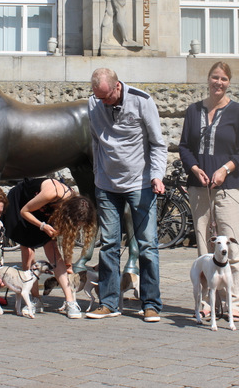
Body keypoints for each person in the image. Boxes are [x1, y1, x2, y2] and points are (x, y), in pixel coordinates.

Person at [85, 68, 167, 322]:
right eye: (99, 97)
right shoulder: (93, 103)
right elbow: (96, 142)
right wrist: (98, 176)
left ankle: (151, 303)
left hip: (140, 184)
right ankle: (109, 303)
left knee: (147, 245)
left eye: (107, 97)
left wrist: (157, 175)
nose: (103, 102)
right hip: (107, 186)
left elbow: (157, 143)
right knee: (109, 244)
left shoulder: (142, 101)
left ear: (118, 86)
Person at [178, 61, 239, 322]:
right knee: (204, 249)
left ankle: (234, 303)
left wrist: (225, 169)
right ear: (208, 80)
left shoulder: (238, 112)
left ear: (228, 82)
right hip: (199, 187)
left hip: (228, 188)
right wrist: (195, 168)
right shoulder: (193, 110)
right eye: (214, 78)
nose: (218, 83)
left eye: (223, 79)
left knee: (231, 247)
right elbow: (184, 147)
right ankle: (208, 303)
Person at [1, 178, 97, 319]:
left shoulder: (72, 205)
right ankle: (35, 299)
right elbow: (24, 211)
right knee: (28, 251)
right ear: (68, 213)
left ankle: (70, 301)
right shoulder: (52, 193)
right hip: (22, 205)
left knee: (53, 252)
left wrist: (68, 265)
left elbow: (68, 241)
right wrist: (42, 226)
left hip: (44, 212)